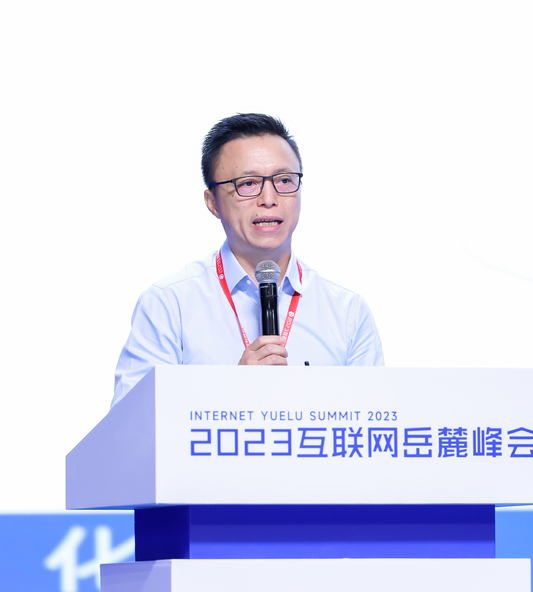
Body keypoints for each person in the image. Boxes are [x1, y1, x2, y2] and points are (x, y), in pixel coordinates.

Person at [111, 113, 383, 405]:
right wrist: (232, 392)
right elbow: (131, 421)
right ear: (213, 203)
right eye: (248, 183)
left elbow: (376, 418)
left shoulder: (347, 313)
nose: (269, 198)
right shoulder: (170, 304)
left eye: (284, 180)